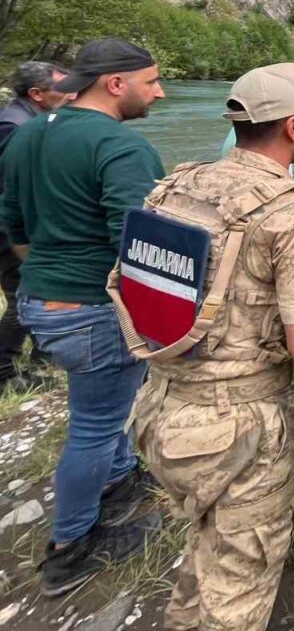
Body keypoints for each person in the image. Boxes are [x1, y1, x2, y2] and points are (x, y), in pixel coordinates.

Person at [128, 62, 294, 631]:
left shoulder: (176, 186)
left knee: (206, 545)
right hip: (238, 430)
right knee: (239, 583)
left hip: (158, 408)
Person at [0, 39, 166, 596]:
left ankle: (118, 479)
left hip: (38, 299)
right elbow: (139, 245)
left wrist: (49, 282)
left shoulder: (27, 133)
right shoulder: (121, 147)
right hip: (91, 309)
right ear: (115, 84)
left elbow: (13, 224)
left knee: (99, 405)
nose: (159, 93)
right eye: (151, 82)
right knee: (94, 425)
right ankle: (70, 548)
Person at [0, 61, 70, 392]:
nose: (70, 93)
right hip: (9, 230)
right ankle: (4, 373)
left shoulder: (24, 119)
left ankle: (39, 358)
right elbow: (12, 186)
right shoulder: (13, 126)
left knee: (31, 293)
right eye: (62, 88)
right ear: (37, 94)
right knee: (22, 297)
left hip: (18, 225)